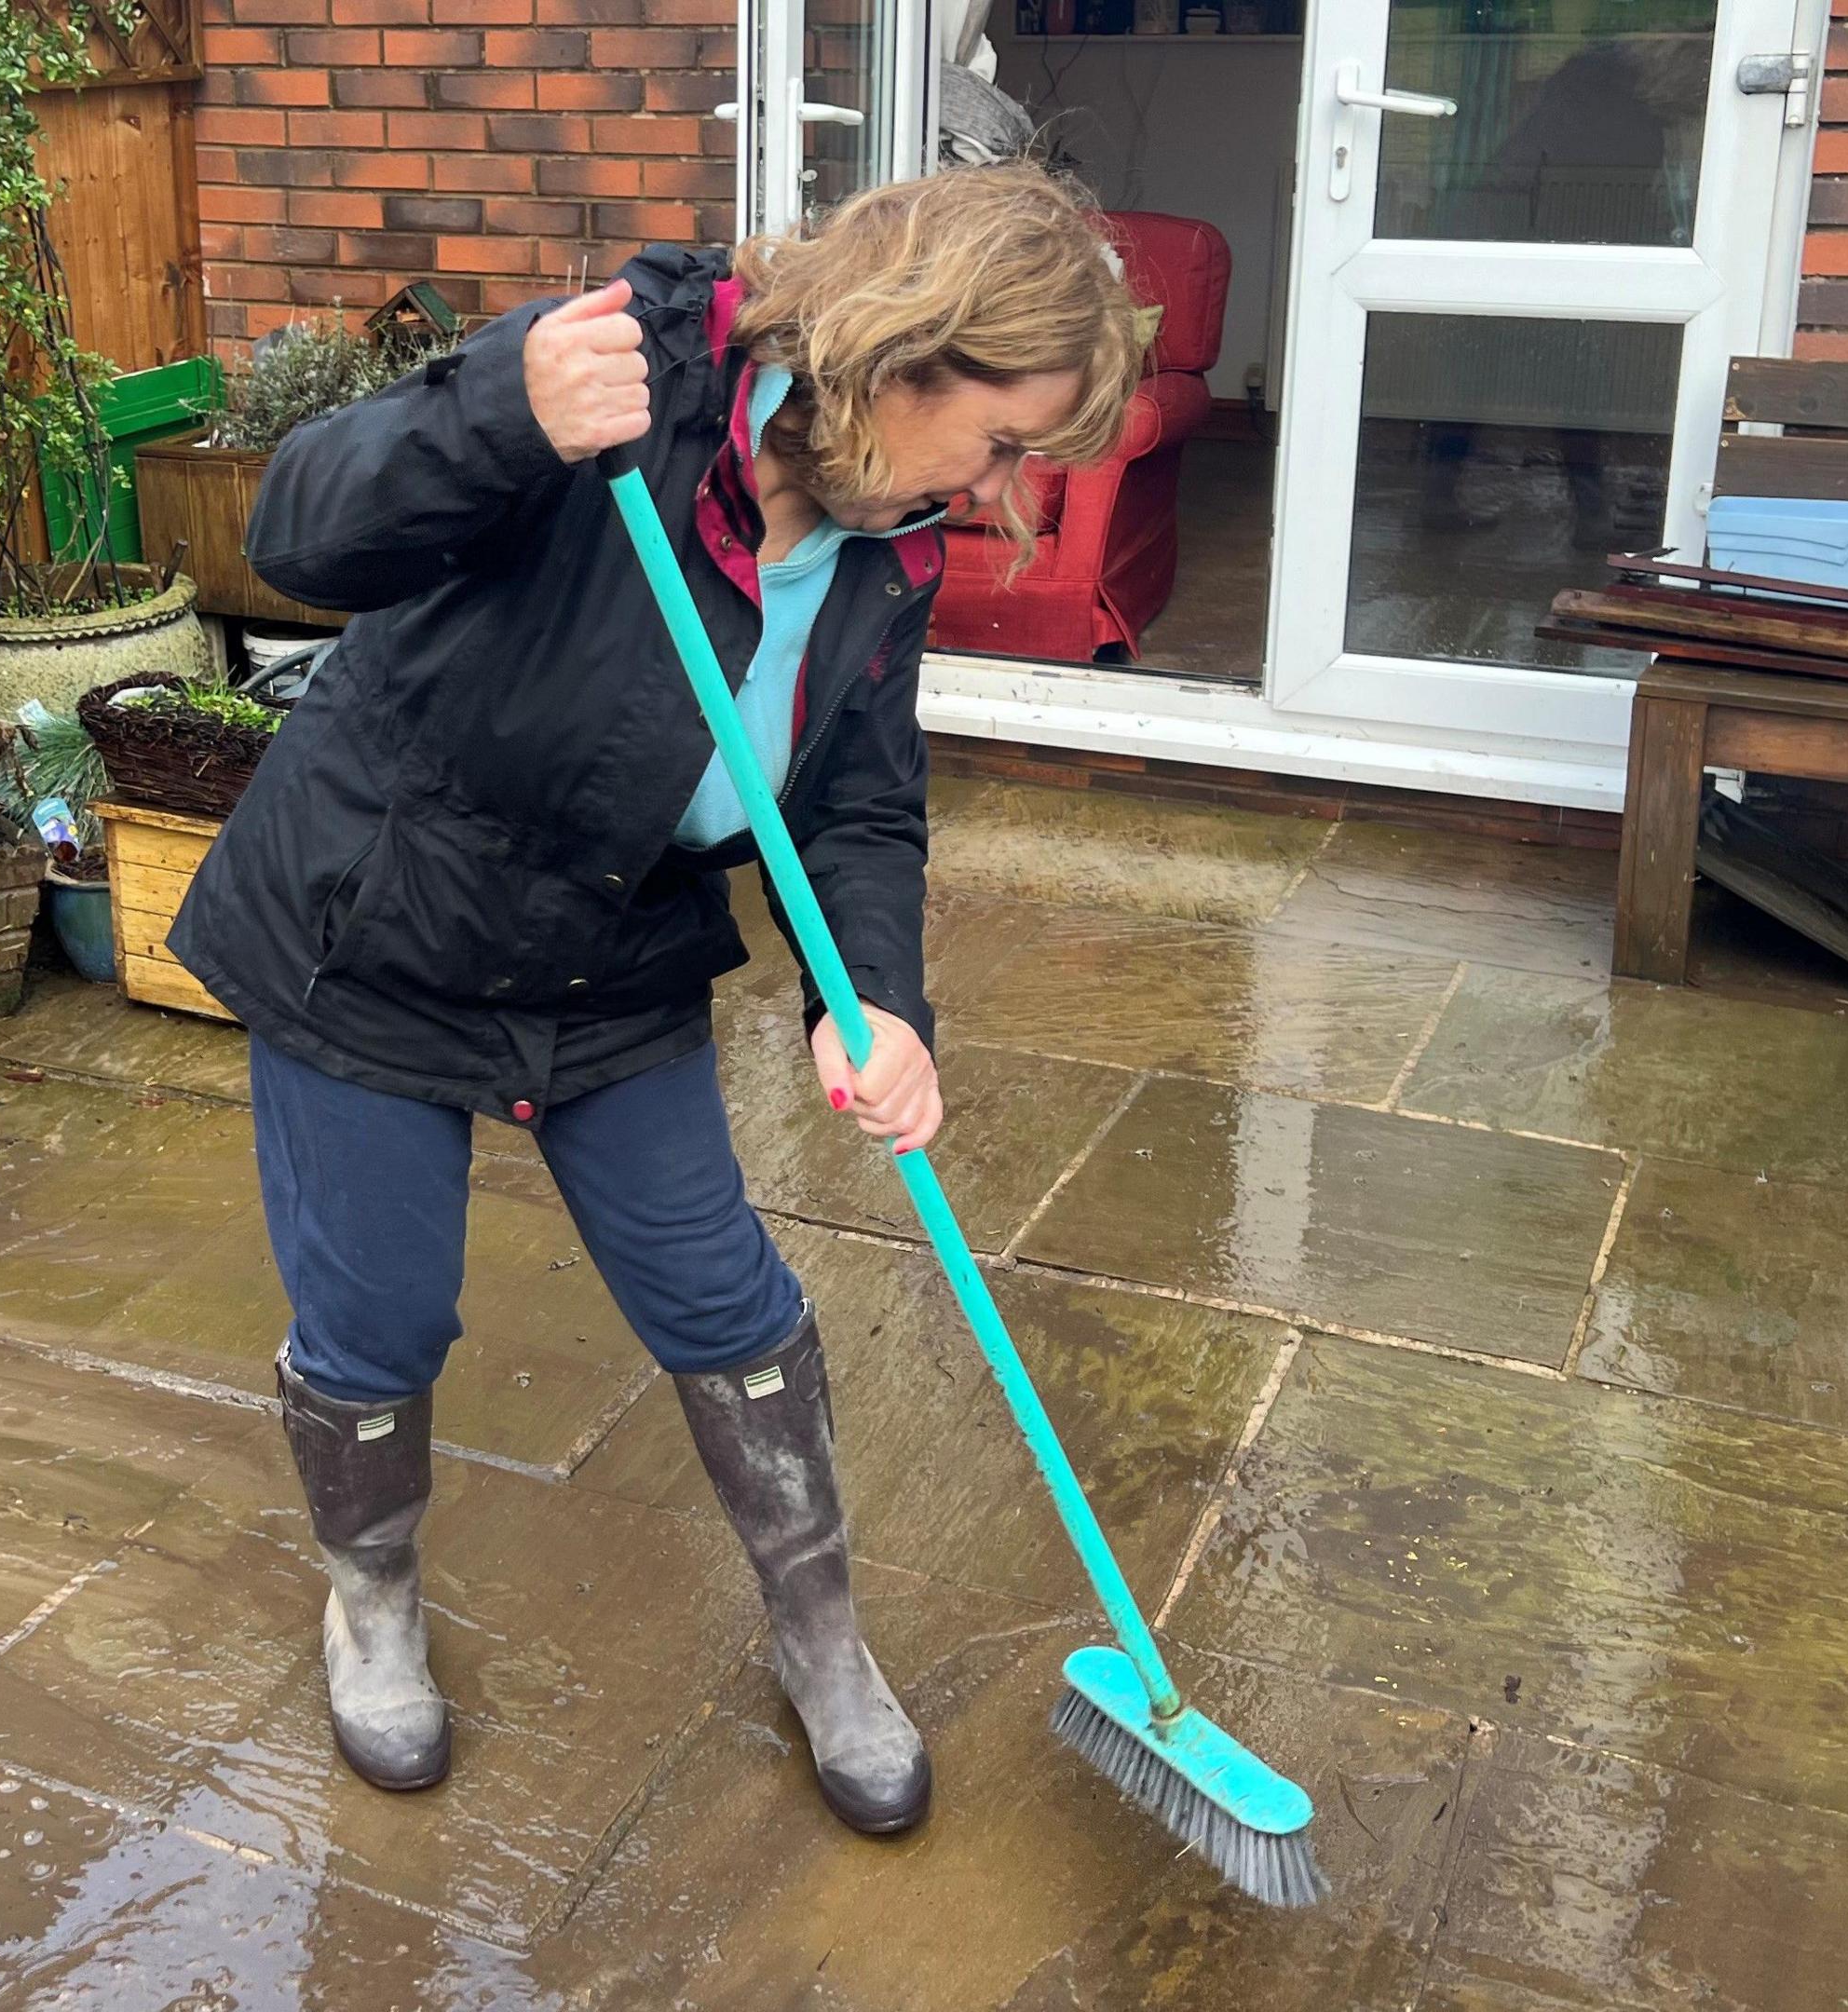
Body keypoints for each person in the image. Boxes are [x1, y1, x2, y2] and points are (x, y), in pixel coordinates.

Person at [170, 163, 1146, 1836]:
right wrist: (496, 411)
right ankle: (374, 1606)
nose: (1008, 490)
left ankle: (821, 1634)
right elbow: (297, 533)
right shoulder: (624, 374)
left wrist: (884, 1002)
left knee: (731, 1308)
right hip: (379, 926)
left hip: (609, 949)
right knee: (380, 1319)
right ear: (911, 356)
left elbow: (857, 797)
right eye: (1004, 441)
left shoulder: (886, 539)